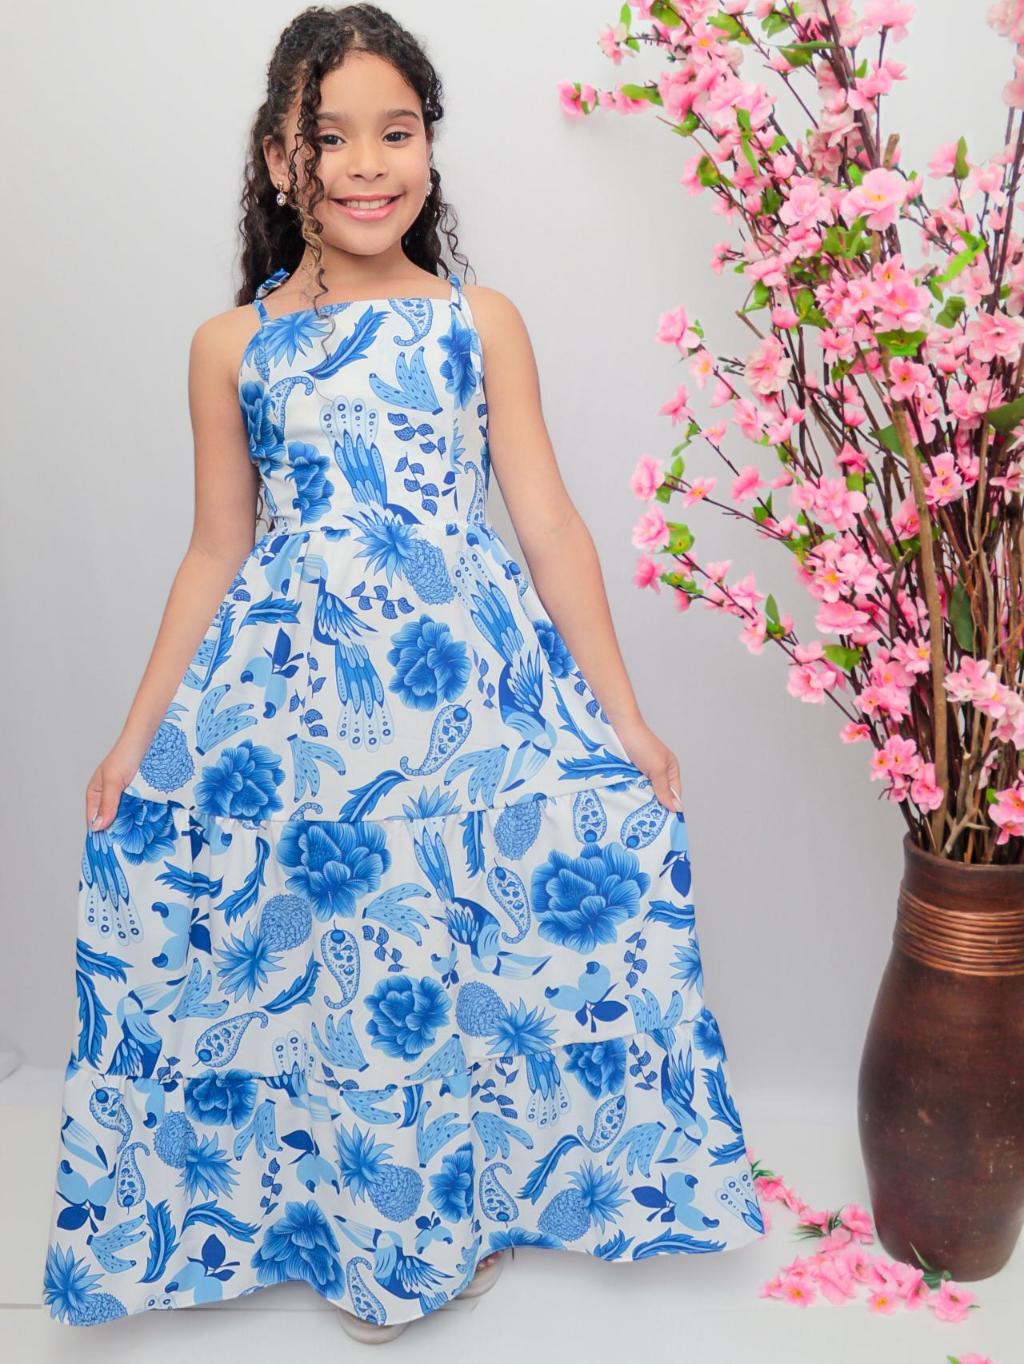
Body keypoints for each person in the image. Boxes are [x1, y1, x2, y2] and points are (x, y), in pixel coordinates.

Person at [41, 3, 765, 1343]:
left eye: (398, 132)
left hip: (463, 687)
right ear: (280, 161)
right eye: (331, 138)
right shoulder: (231, 345)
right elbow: (214, 547)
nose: (368, 164)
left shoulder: (479, 322)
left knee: (456, 938)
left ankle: (460, 1209)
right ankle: (353, 1225)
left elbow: (547, 525)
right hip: (301, 699)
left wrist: (626, 717)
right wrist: (135, 736)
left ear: (431, 147)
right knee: (340, 958)